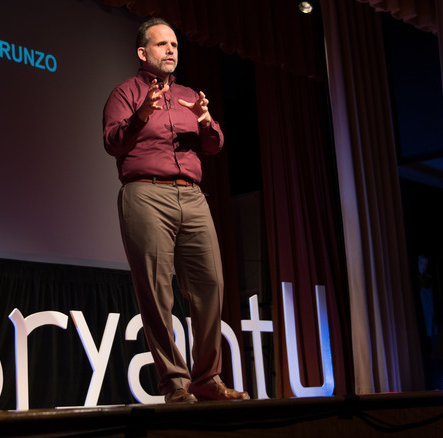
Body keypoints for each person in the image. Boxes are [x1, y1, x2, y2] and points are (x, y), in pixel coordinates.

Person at [102, 17, 249, 404]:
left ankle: (206, 378)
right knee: (156, 292)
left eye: (175, 45)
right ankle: (175, 384)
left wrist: (205, 122)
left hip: (193, 196)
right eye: (162, 44)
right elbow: (113, 143)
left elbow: (213, 146)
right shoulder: (125, 93)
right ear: (142, 52)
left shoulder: (188, 94)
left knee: (211, 286)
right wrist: (142, 115)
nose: (171, 50)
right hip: (146, 195)